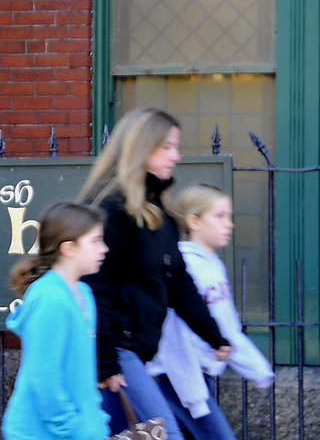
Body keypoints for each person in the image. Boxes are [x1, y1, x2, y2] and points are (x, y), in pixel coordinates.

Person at [76, 107, 231, 439]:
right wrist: (105, 362)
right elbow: (93, 287)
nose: (176, 156)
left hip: (137, 351)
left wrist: (213, 335)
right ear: (140, 148)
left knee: (129, 434)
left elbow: (179, 283)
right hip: (117, 349)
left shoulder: (160, 213)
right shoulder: (109, 209)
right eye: (167, 147)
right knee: (163, 434)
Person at [147, 183, 274, 439]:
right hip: (178, 379)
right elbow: (173, 329)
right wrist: (257, 369)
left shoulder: (213, 265)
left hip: (196, 378)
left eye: (229, 217)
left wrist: (256, 368)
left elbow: (227, 328)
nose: (229, 224)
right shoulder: (186, 266)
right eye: (219, 216)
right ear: (194, 221)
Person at [1, 201, 111, 440]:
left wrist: (95, 420)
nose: (104, 249)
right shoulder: (51, 298)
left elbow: (82, 373)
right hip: (41, 433)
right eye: (95, 241)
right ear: (69, 248)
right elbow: (44, 375)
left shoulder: (84, 293)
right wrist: (71, 427)